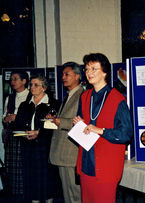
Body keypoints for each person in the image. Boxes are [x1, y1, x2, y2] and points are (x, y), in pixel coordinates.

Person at [73, 53, 133, 203]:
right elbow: (85, 125)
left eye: (94, 68)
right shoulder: (85, 96)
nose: (89, 73)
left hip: (106, 166)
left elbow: (126, 134)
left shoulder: (118, 99)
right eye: (87, 69)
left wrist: (100, 130)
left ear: (105, 72)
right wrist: (79, 123)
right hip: (86, 164)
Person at [14, 74, 61, 202]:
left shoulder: (53, 104)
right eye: (31, 85)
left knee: (47, 179)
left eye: (36, 85)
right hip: (28, 147)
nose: (32, 87)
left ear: (44, 88)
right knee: (31, 179)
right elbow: (17, 123)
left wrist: (39, 132)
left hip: (45, 148)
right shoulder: (25, 105)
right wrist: (24, 132)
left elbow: (54, 127)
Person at [49, 62, 84, 203]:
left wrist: (60, 121)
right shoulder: (69, 95)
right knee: (67, 194)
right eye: (62, 74)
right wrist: (54, 119)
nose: (63, 77)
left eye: (66, 74)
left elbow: (83, 123)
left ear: (77, 76)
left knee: (75, 195)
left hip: (71, 154)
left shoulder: (82, 95)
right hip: (62, 153)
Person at [2, 70, 31, 200]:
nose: (12, 82)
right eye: (12, 79)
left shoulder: (30, 96)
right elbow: (4, 116)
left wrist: (17, 118)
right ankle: (14, 196)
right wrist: (6, 119)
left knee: (24, 169)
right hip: (12, 137)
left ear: (24, 81)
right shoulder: (10, 98)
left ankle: (26, 195)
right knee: (12, 171)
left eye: (15, 79)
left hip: (27, 136)